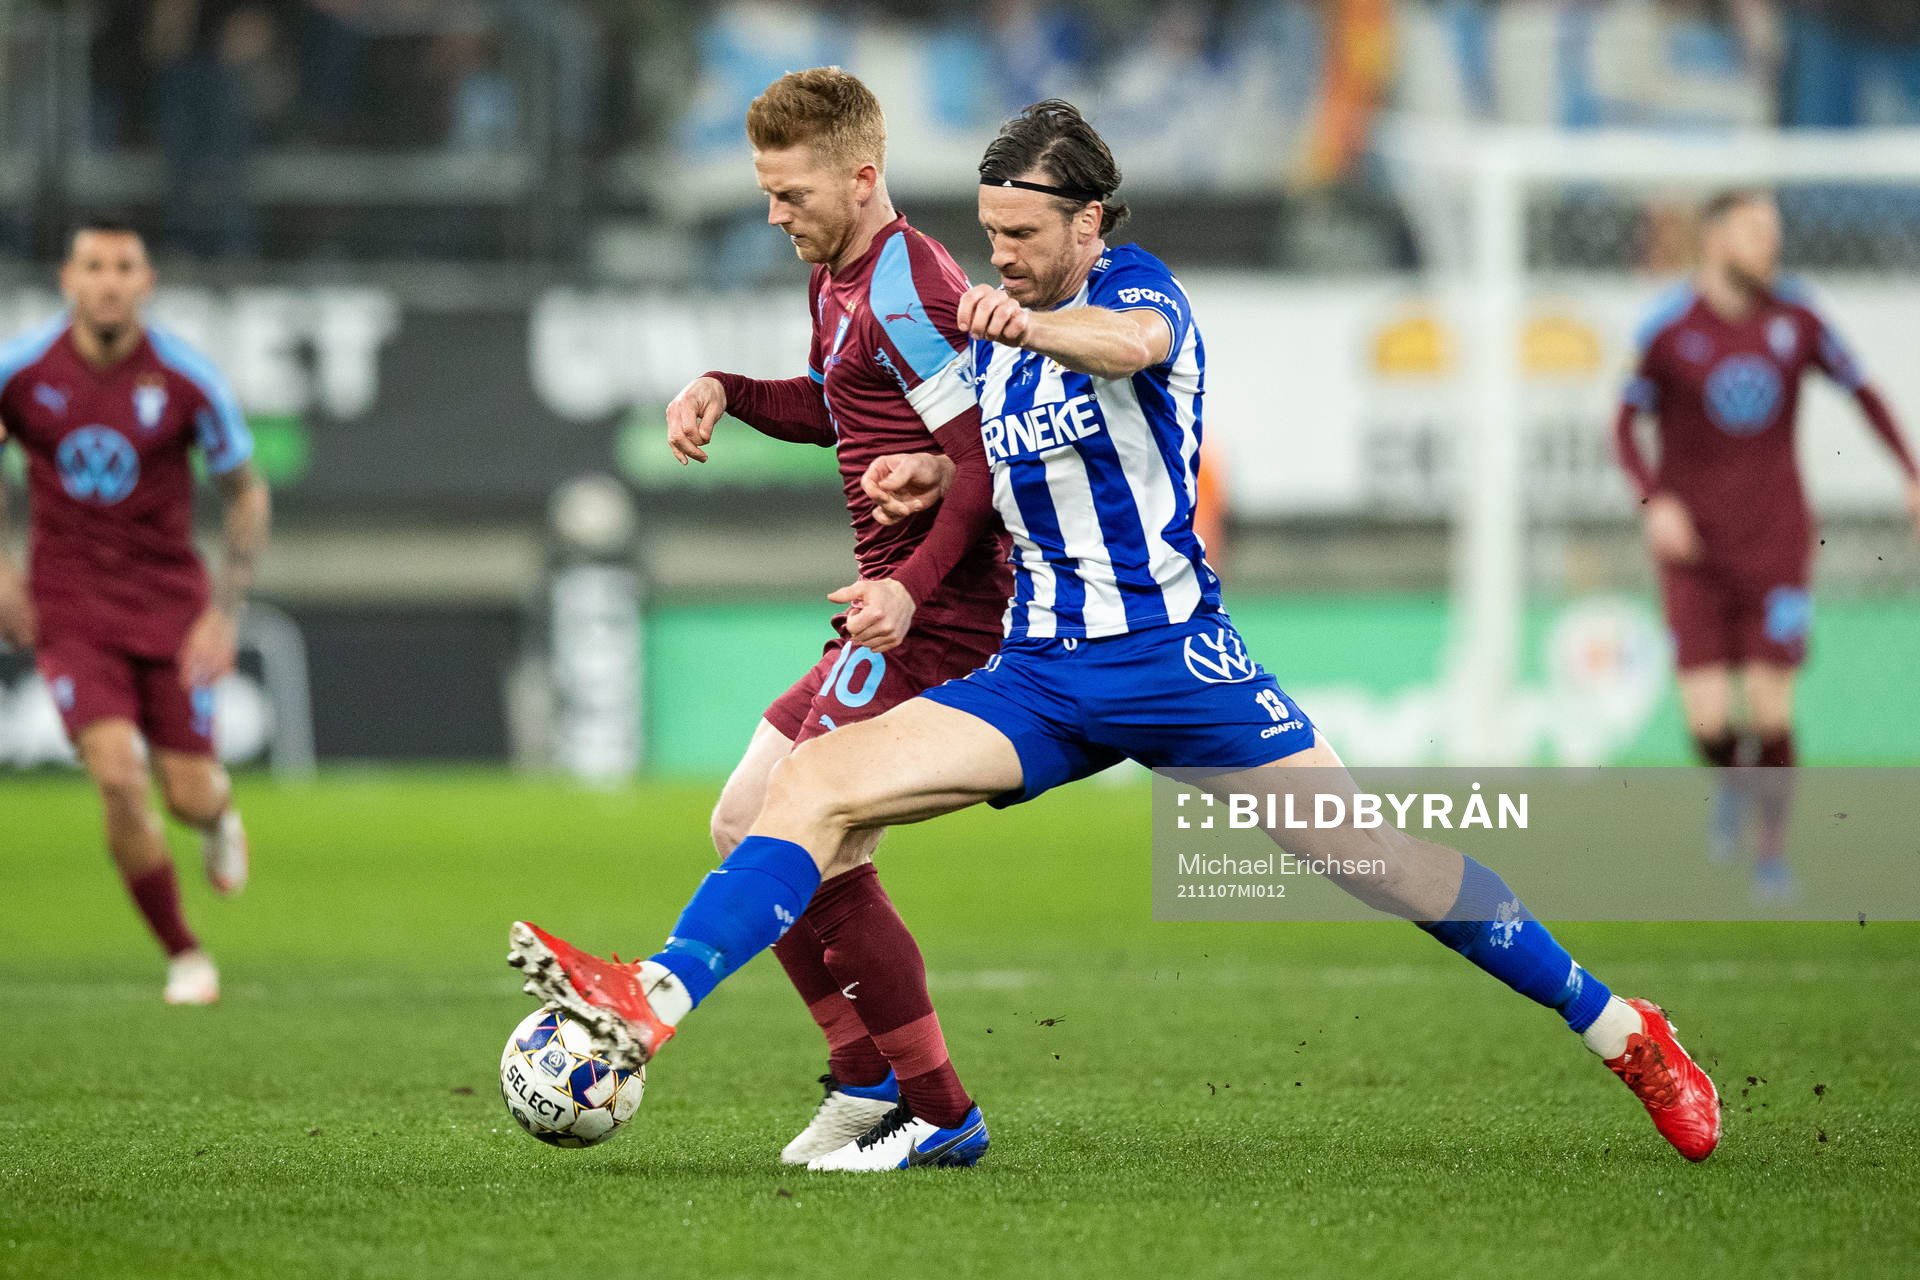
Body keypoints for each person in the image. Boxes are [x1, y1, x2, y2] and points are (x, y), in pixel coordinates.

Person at [509, 101, 1720, 1172]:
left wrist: (1026, 327)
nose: (1002, 256)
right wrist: (933, 476)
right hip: (1039, 675)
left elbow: (1130, 349)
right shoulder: (1000, 340)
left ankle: (1623, 1028)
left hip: (1178, 667)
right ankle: (654, 996)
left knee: (1382, 864)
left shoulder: (1135, 292)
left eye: (1025, 234)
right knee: (812, 785)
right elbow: (996, 470)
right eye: (991, 233)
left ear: (1089, 223)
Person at [657, 68, 1007, 1166]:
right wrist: (726, 388)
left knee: (821, 831)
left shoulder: (911, 288)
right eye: (767, 192)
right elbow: (837, 406)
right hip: (887, 607)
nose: (775, 215)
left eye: (792, 193)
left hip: (940, 617)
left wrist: (911, 589)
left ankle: (934, 1105)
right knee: (742, 822)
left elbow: (982, 461)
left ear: (861, 178)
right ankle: (865, 1080)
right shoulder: (838, 276)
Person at [1615, 189, 1919, 895]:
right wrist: (1654, 501)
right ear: (1715, 238)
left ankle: (1771, 855)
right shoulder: (1666, 328)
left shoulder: (1797, 318)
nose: (1769, 244)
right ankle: (1735, 785)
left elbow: (1863, 390)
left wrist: (1910, 472)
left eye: (1772, 231)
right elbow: (1623, 426)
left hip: (1776, 540)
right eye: (1754, 231)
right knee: (1707, 719)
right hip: (1693, 551)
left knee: (1769, 705)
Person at [0, 219, 268, 1005]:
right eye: (94, 266)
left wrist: (224, 612)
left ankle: (217, 816)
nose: (108, 281)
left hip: (169, 608)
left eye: (124, 267)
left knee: (186, 794)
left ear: (146, 282)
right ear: (68, 279)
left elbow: (246, 490)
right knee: (118, 779)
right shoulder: (21, 373)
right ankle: (185, 952)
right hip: (71, 609)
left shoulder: (186, 379)